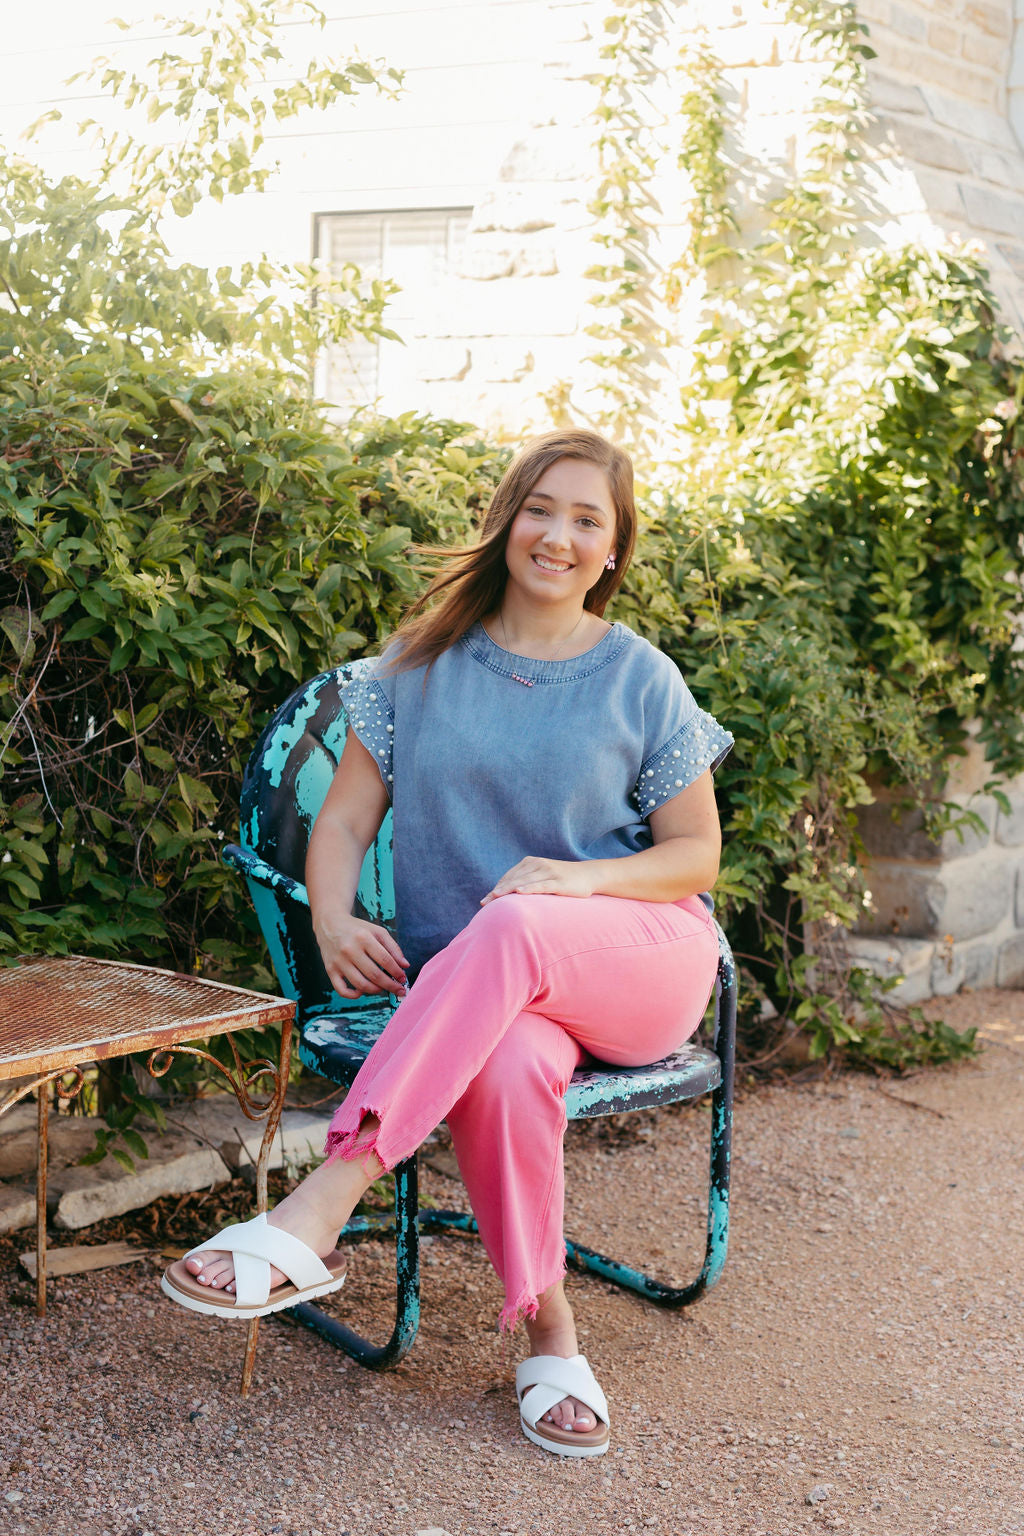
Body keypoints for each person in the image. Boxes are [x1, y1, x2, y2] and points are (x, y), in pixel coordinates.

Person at [162, 428, 733, 1458]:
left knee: (511, 920)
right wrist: (333, 918)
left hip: (639, 965)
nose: (557, 535)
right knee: (506, 1068)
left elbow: (696, 855)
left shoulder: (640, 678)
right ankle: (551, 1336)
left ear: (612, 549)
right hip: (492, 996)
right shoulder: (417, 668)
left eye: (587, 520)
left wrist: (577, 881)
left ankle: (322, 1202)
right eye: (540, 508)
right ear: (507, 520)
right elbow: (342, 823)